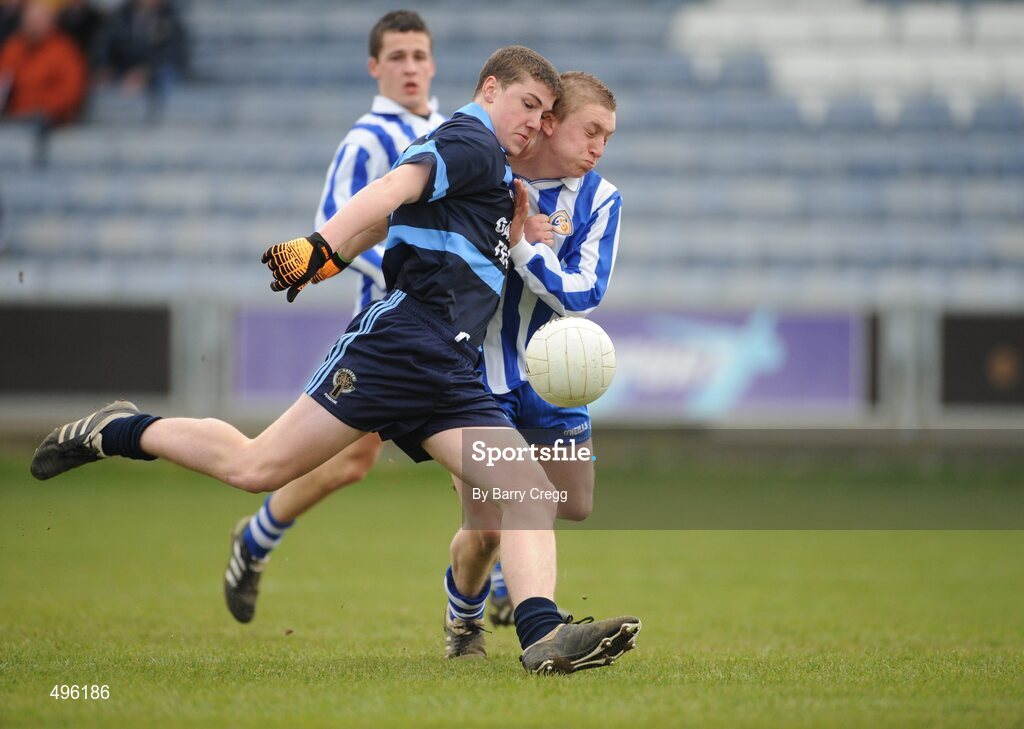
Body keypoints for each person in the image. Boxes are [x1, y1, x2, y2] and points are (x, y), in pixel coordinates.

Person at [30, 46, 641, 675]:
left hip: (449, 369)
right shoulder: (472, 139)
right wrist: (321, 243)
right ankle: (117, 429)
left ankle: (542, 636)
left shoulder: (491, 168)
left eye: (545, 113)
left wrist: (335, 256)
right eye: (528, 106)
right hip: (399, 346)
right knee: (256, 465)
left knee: (529, 491)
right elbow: (394, 187)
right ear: (491, 90)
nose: (536, 122)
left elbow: (399, 213)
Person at [223, 8, 446, 627]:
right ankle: (255, 539)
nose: (410, 67)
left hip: (454, 325)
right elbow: (334, 229)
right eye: (396, 57)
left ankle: (502, 582)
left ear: (434, 63)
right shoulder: (368, 141)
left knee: (483, 437)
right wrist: (418, 269)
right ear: (374, 66)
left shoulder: (454, 131)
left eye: (419, 55)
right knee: (349, 461)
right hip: (389, 325)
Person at [444, 71, 621, 657]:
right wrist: (509, 236)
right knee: (490, 524)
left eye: (607, 137)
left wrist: (523, 246)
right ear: (550, 123)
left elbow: (583, 294)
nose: (599, 148)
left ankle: (504, 585)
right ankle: (469, 620)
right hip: (476, 375)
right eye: (590, 131)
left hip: (552, 377)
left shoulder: (601, 199)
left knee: (573, 502)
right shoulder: (488, 175)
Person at [0, 0, 87, 127]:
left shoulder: (65, 50)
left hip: (51, 121)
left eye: (38, 20)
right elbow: (4, 81)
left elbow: (71, 91)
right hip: (15, 116)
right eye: (30, 20)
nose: (33, 25)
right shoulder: (14, 48)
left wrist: (44, 108)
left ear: (51, 22)